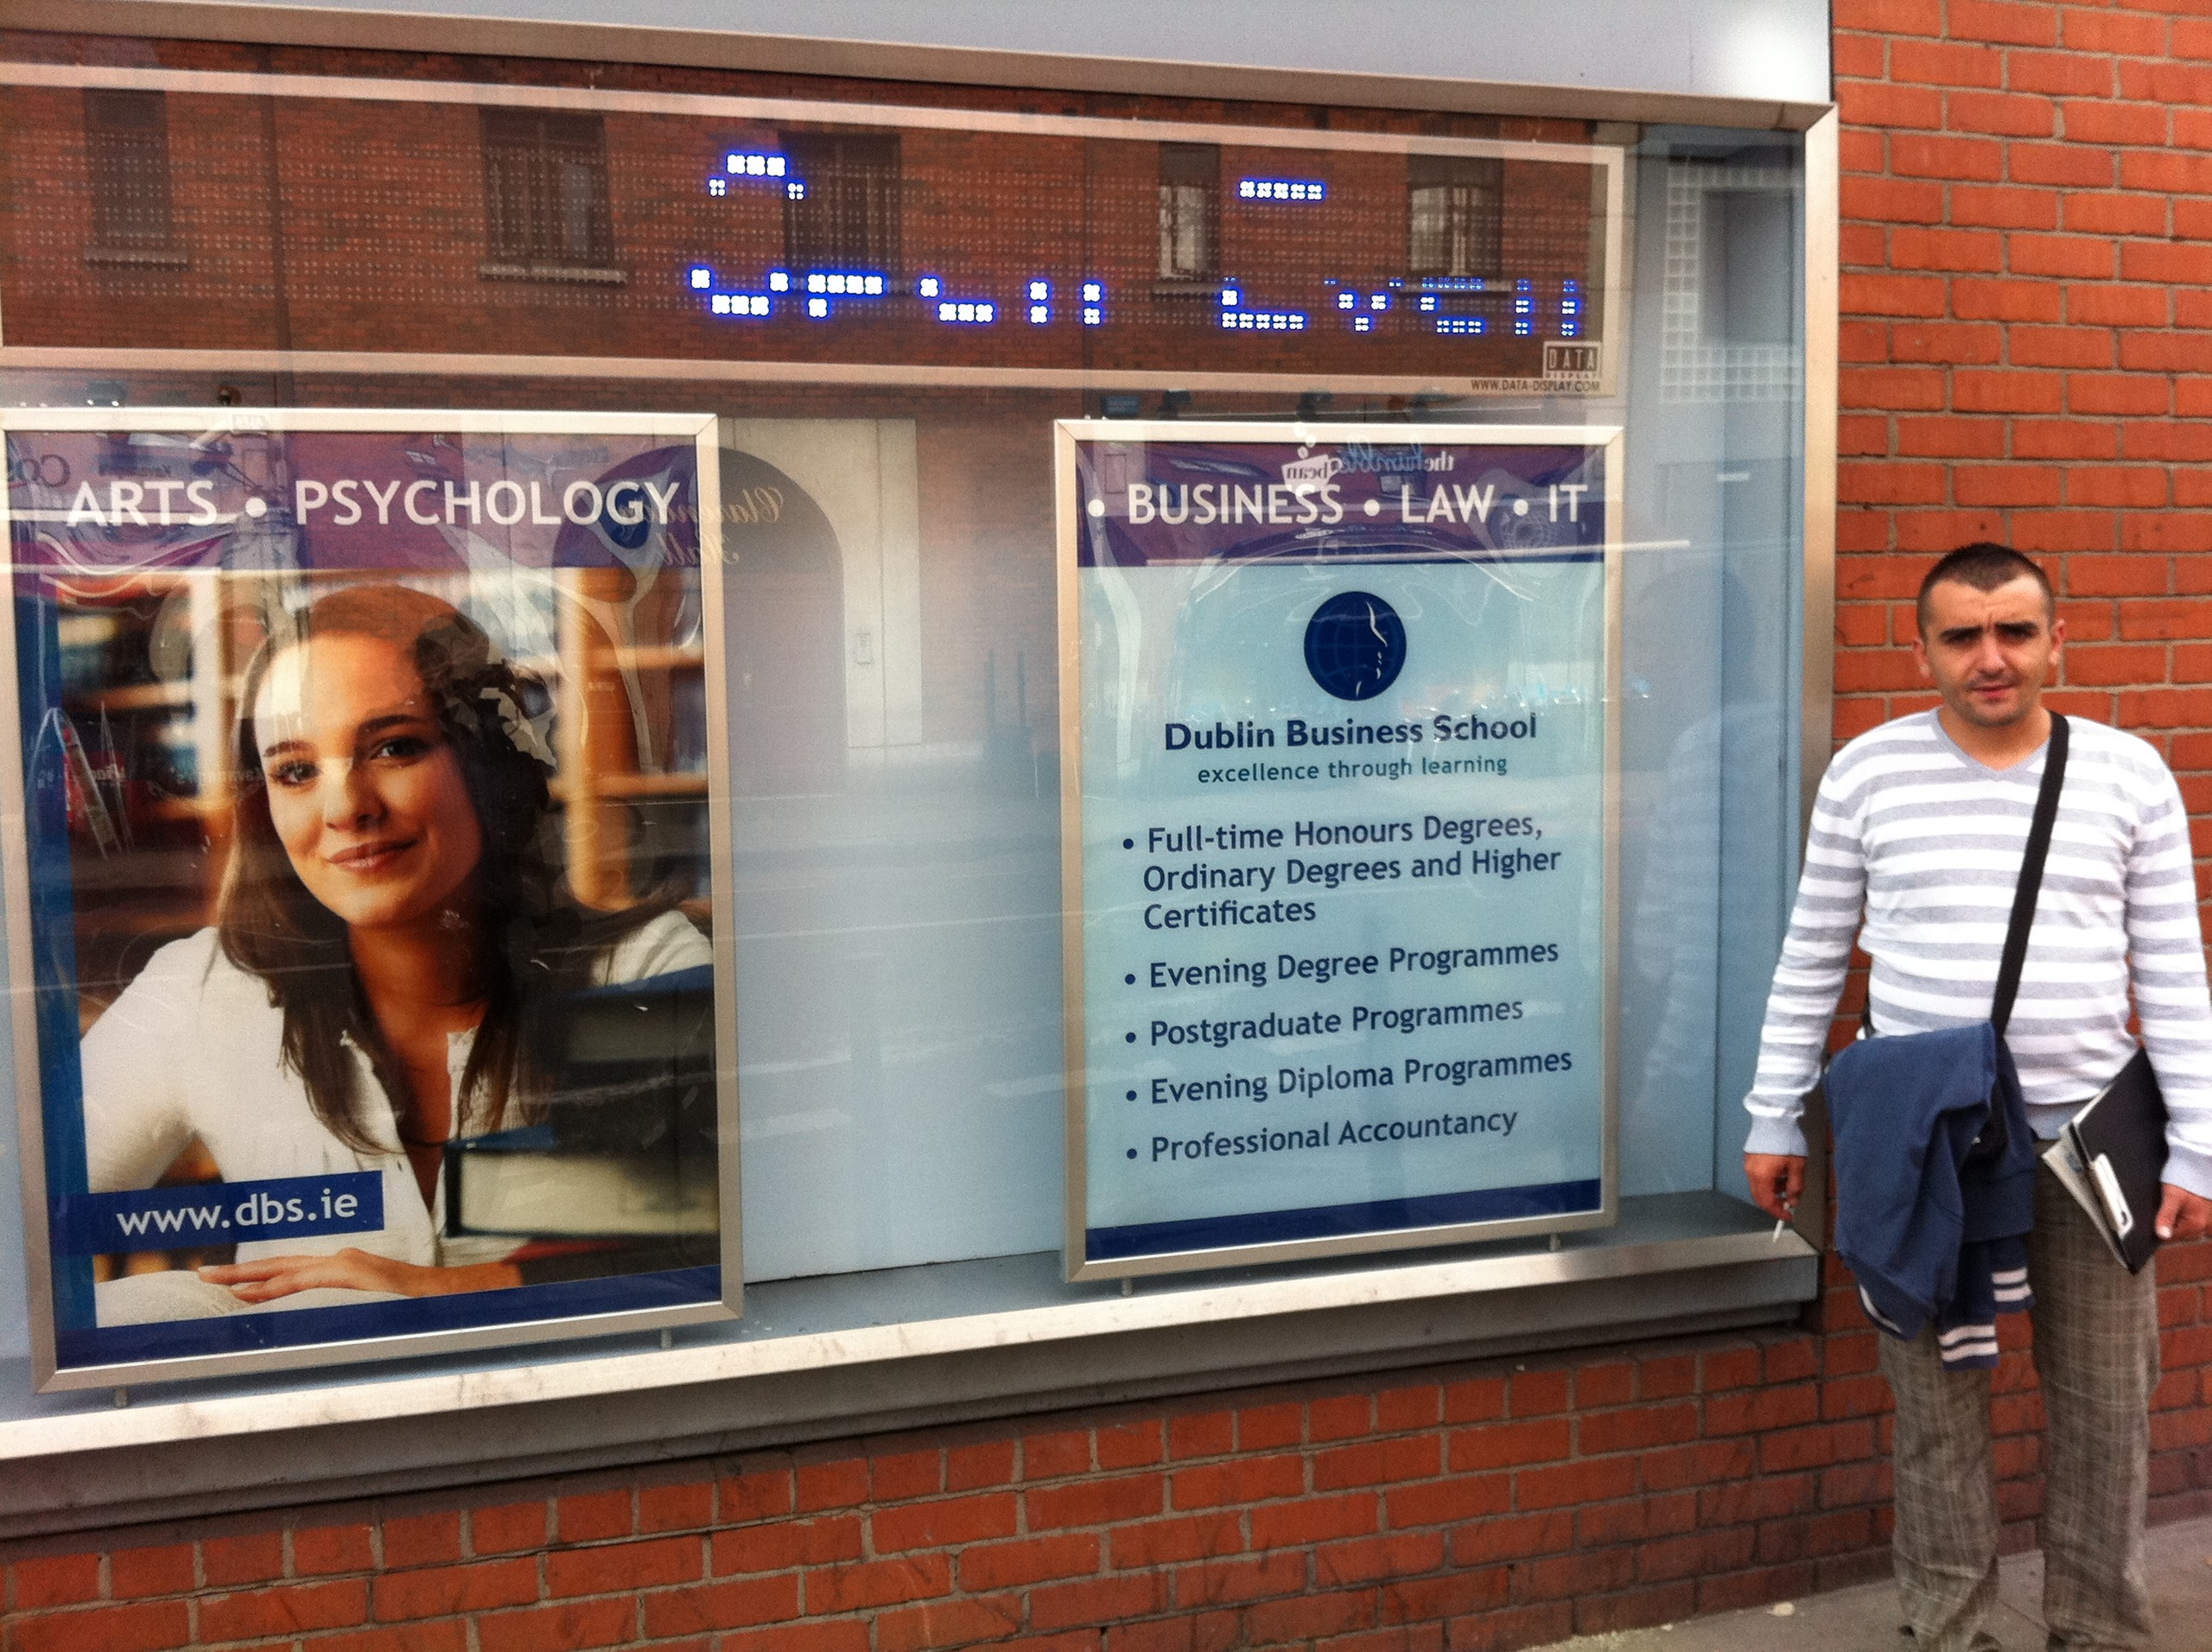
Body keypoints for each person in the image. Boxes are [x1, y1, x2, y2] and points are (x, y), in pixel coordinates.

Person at [1742, 543, 2212, 1652]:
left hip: (2090, 1145)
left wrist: (2196, 1144)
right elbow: (1812, 952)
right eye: (1961, 636)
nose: (1989, 657)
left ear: (2057, 639)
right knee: (1934, 1409)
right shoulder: (1866, 773)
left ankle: (2096, 1627)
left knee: (2105, 1407)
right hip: (1923, 1146)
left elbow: (2171, 967)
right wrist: (1772, 1113)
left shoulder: (2126, 773)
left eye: (2013, 631)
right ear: (1922, 652)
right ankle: (1948, 1627)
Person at [81, 581, 712, 1320]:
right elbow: (26, 1216)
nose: (347, 807)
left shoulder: (639, 966)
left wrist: (450, 1291)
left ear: (488, 761)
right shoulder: (204, 986)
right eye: (295, 770)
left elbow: (721, 1235)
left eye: (395, 747)